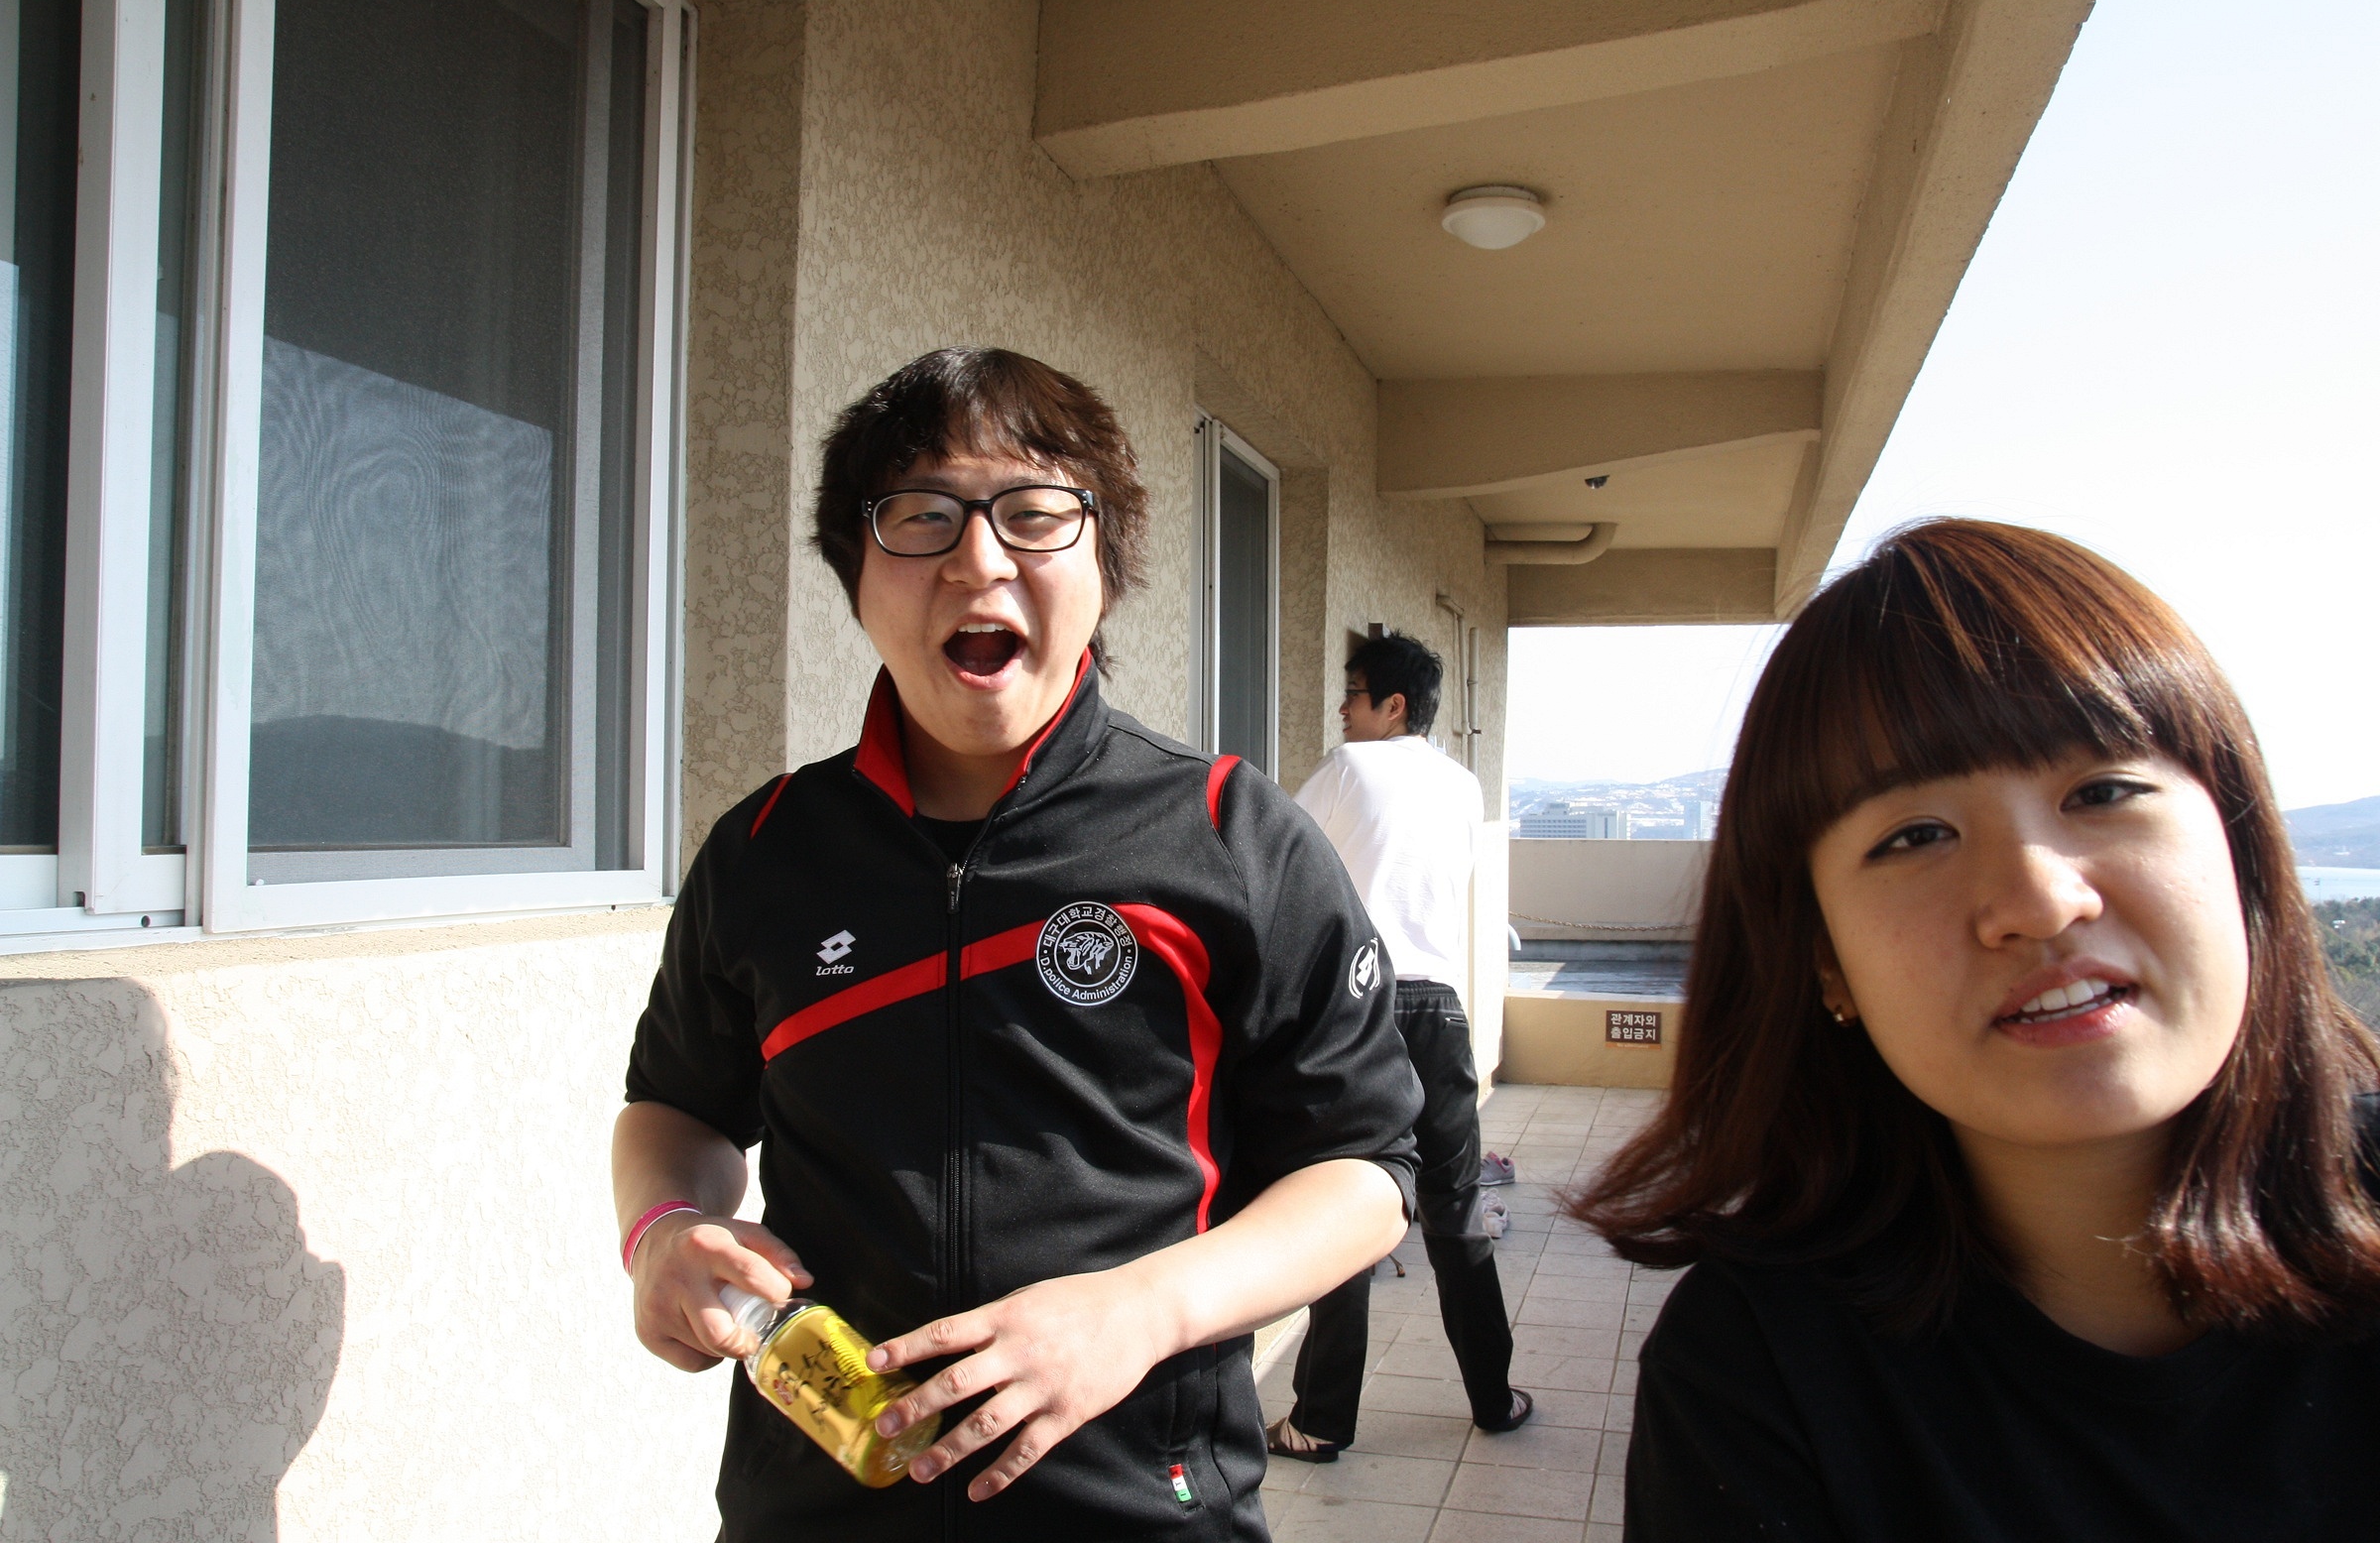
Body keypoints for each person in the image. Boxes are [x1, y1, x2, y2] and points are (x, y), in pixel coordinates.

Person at [612, 347, 1423, 1540]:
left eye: (1034, 515)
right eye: (921, 516)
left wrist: (1141, 1310)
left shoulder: (1229, 834)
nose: (978, 559)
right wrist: (664, 1232)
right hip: (816, 1502)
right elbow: (675, 1108)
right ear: (855, 574)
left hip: (1144, 1509)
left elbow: (1365, 1172)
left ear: (1106, 567)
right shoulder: (766, 851)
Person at [1571, 520, 2380, 1542]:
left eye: (2102, 791)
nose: (2039, 902)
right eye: (1916, 835)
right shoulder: (1757, 1370)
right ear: (1826, 960)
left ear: (2242, 852)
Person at [1266, 634, 1532, 1462]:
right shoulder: (1463, 786)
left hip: (1359, 1002)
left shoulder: (1350, 768)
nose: (1343, 710)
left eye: (1353, 694)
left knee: (1346, 1202)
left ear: (1394, 705)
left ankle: (1320, 1420)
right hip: (1440, 1009)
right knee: (1456, 1209)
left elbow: (1278, 859)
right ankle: (1494, 1398)